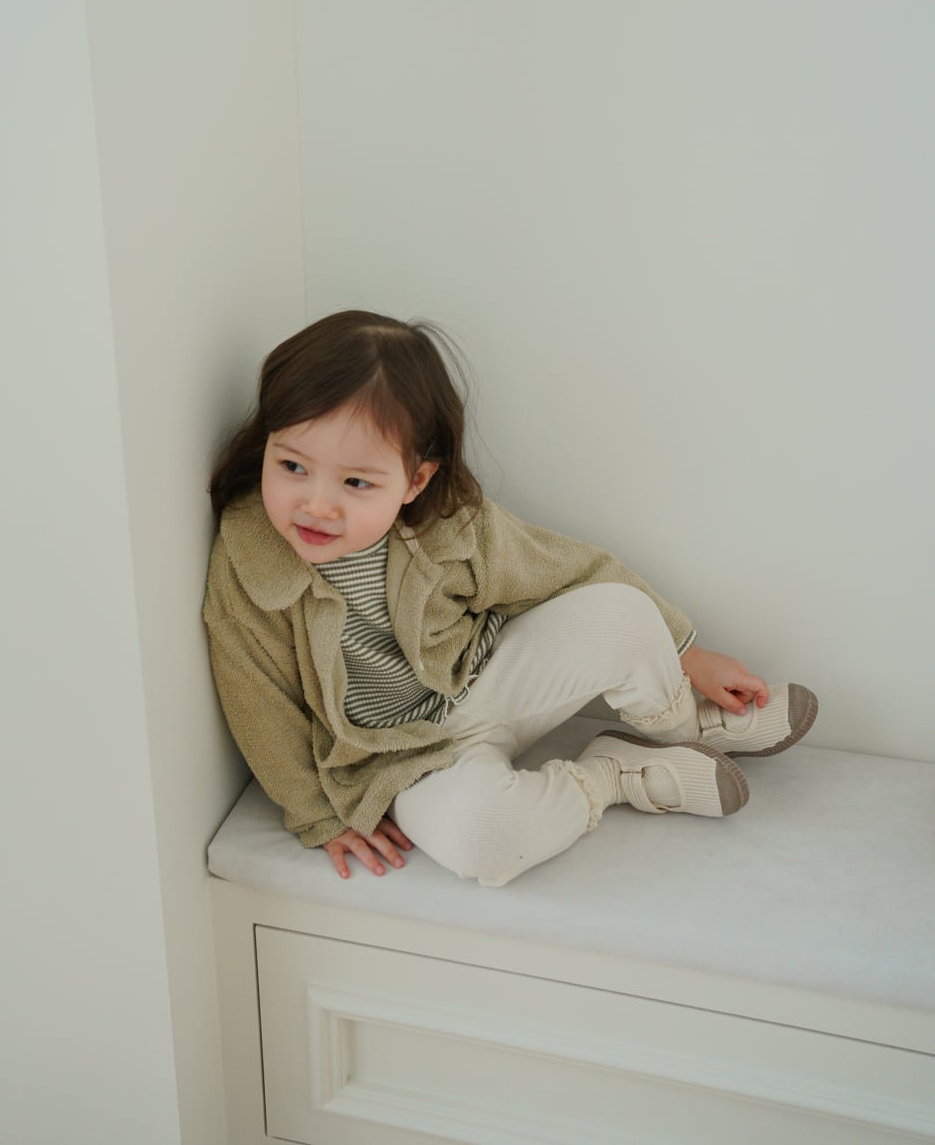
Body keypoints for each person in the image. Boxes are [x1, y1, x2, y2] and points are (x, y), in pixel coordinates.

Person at [204, 310, 817, 888]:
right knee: (485, 840)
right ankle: (614, 774)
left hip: (488, 682)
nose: (316, 504)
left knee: (620, 610)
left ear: (415, 481)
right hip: (399, 760)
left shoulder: (447, 524)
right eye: (292, 467)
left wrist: (687, 652)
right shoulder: (251, 557)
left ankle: (684, 727)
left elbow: (573, 569)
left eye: (356, 482)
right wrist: (318, 816)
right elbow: (257, 700)